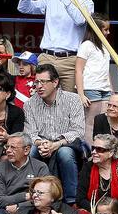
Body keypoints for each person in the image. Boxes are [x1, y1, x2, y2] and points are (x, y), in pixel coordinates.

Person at [18, 0, 92, 92]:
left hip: (71, 59)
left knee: (70, 102)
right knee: (41, 99)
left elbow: (80, 20)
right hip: (47, 57)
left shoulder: (86, 2)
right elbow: (23, 7)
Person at [24, 64, 85, 204]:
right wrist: (42, 143)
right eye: (36, 82)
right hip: (41, 144)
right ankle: (30, 197)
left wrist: (55, 145)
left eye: (43, 82)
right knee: (31, 151)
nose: (39, 86)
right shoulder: (29, 104)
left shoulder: (73, 100)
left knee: (64, 153)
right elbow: (30, 134)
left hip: (66, 144)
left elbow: (78, 132)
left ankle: (71, 201)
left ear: (55, 82)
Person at [75, 13, 115, 142]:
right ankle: (89, 154)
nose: (108, 32)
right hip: (91, 88)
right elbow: (78, 70)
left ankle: (103, 151)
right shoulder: (86, 45)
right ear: (96, 29)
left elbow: (106, 70)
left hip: (105, 89)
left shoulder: (105, 47)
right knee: (91, 123)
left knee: (105, 122)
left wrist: (112, 90)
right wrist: (81, 94)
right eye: (105, 29)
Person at [76, 133, 118, 212]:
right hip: (93, 212)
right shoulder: (88, 168)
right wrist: (99, 211)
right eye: (93, 148)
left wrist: (112, 213)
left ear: (111, 153)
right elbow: (80, 199)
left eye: (99, 149)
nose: (93, 152)